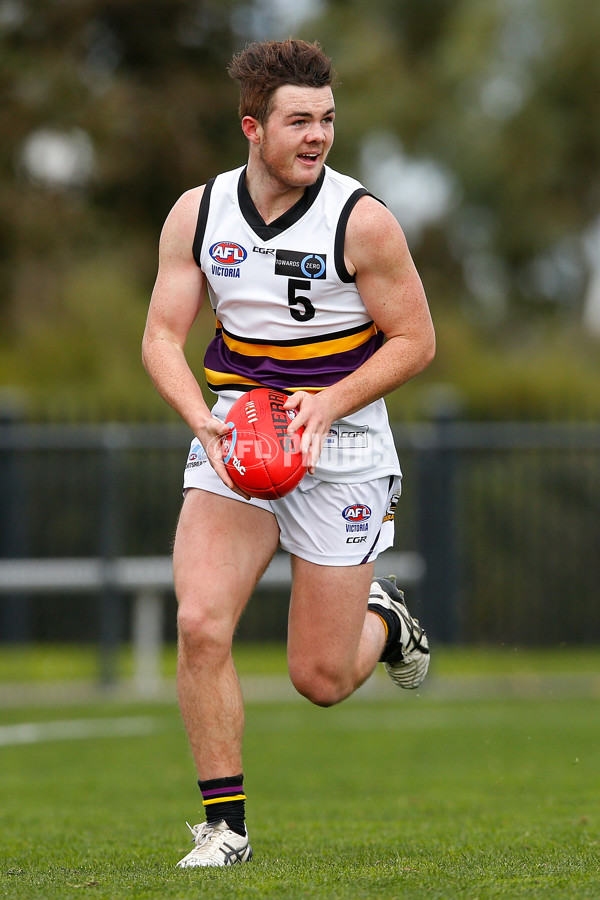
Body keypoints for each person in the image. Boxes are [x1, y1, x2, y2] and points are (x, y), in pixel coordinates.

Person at [142, 38, 436, 868]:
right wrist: (202, 418)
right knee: (200, 623)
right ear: (252, 127)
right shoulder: (197, 213)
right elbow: (163, 335)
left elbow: (416, 340)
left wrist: (327, 404)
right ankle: (225, 831)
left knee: (321, 678)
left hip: (341, 445)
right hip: (237, 434)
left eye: (329, 119)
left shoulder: (363, 220)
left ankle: (387, 618)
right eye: (299, 121)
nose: (318, 136)